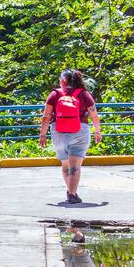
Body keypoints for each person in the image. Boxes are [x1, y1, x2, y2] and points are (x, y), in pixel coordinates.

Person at [38, 69, 102, 204]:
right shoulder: (84, 94)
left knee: (65, 164)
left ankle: (70, 191)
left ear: (63, 81)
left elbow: (46, 117)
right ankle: (72, 193)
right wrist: (97, 131)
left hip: (58, 132)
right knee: (75, 166)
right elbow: (94, 115)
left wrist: (42, 135)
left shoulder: (55, 94)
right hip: (80, 131)